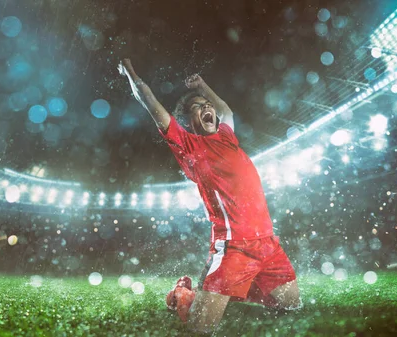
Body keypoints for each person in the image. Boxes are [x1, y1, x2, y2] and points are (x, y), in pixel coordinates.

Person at [118, 58, 301, 333]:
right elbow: (147, 101)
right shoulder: (188, 145)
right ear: (187, 123)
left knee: (291, 307)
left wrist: (202, 87)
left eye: (206, 107)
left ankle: (234, 288)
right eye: (197, 108)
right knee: (200, 329)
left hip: (268, 244)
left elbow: (225, 108)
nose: (206, 109)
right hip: (234, 247)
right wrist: (131, 73)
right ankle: (184, 294)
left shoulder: (227, 136)